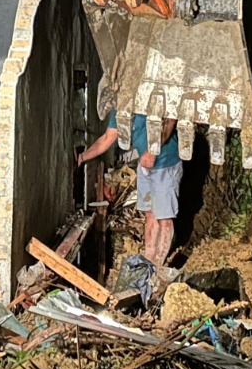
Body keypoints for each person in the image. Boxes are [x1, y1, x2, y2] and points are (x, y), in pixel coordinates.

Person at [77, 107, 181, 266]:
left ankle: (158, 264)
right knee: (150, 214)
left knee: (164, 218)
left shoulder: (150, 96)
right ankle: (149, 262)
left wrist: (152, 152)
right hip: (145, 165)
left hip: (165, 163)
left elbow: (170, 121)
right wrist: (82, 157)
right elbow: (107, 138)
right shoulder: (120, 107)